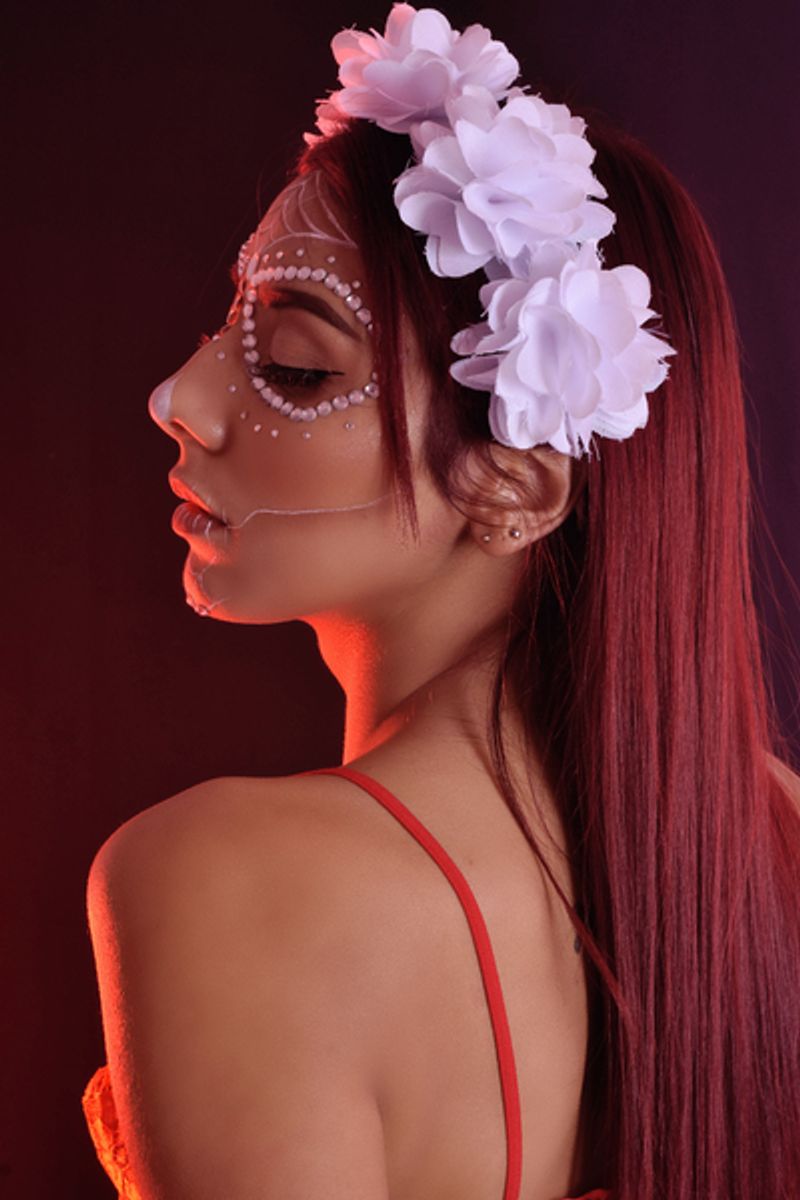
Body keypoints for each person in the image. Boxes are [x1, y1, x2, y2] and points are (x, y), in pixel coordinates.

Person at [81, 6, 800, 1199]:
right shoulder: (771, 839)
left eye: (294, 366)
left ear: (513, 487)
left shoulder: (230, 885)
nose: (179, 399)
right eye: (225, 327)